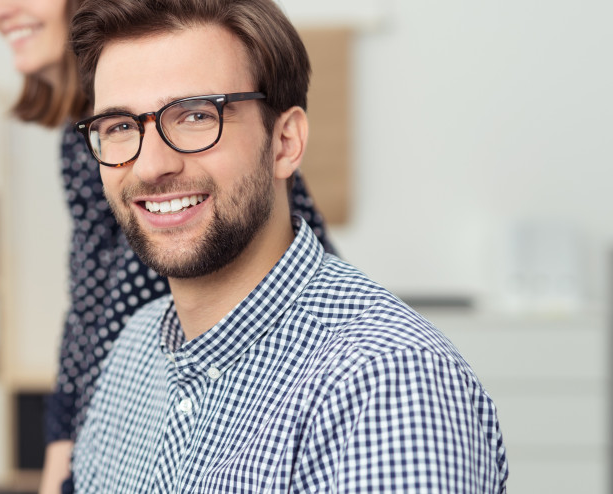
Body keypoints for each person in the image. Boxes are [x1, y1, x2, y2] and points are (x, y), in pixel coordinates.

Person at [65, 0, 509, 491]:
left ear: (285, 143)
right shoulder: (134, 350)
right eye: (120, 127)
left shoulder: (386, 381)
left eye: (194, 116)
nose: (151, 167)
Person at [0, 0, 338, 492]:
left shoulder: (370, 376)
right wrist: (63, 442)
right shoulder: (83, 142)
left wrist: (69, 451)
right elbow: (88, 301)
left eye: (193, 116)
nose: (4, 9)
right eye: (117, 127)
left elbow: (147, 286)